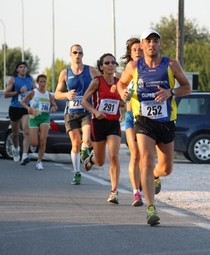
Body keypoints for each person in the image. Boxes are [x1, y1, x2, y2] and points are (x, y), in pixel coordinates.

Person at [116, 29, 191, 226]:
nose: (151, 44)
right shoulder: (134, 66)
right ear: (142, 44)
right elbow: (121, 84)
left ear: (159, 44)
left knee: (166, 168)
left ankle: (156, 176)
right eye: (148, 41)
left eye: (155, 41)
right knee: (146, 159)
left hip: (166, 122)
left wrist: (170, 92)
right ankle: (151, 208)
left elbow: (187, 87)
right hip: (144, 121)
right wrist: (123, 92)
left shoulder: (171, 64)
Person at [55, 44, 100, 185]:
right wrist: (66, 94)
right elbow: (57, 94)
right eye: (75, 52)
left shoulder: (91, 70)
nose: (77, 55)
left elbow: (102, 84)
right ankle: (76, 172)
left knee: (86, 140)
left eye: (80, 52)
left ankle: (85, 151)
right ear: (70, 55)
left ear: (82, 55)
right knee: (75, 143)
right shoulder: (65, 73)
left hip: (86, 110)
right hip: (71, 112)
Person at [82, 53, 122, 204]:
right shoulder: (96, 82)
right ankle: (91, 158)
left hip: (113, 123)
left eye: (113, 62)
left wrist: (123, 103)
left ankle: (114, 191)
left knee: (114, 156)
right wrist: (96, 112)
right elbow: (84, 102)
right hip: (98, 124)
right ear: (101, 67)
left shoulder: (119, 83)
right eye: (107, 63)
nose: (111, 65)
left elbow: (122, 101)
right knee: (100, 161)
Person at [119, 37, 144, 207]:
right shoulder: (129, 69)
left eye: (139, 49)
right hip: (130, 117)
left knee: (145, 155)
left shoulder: (153, 69)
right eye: (134, 50)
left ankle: (150, 178)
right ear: (130, 53)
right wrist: (122, 93)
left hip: (147, 117)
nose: (137, 52)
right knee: (134, 154)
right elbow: (120, 86)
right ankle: (136, 193)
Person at [20, 74, 58, 170]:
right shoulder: (33, 92)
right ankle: (33, 144)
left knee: (43, 140)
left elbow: (55, 106)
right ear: (37, 83)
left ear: (46, 82)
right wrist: (28, 108)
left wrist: (53, 108)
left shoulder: (48, 94)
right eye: (40, 82)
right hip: (34, 118)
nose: (42, 83)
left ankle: (39, 162)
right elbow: (22, 102)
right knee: (34, 143)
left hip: (45, 118)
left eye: (44, 82)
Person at [4, 61, 34, 165]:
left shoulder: (30, 79)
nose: (23, 69)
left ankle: (25, 155)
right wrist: (18, 92)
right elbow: (6, 94)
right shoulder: (13, 79)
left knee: (26, 131)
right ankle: (16, 148)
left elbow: (33, 92)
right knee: (15, 133)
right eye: (20, 67)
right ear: (17, 69)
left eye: (24, 67)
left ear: (27, 69)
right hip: (14, 107)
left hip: (25, 107)